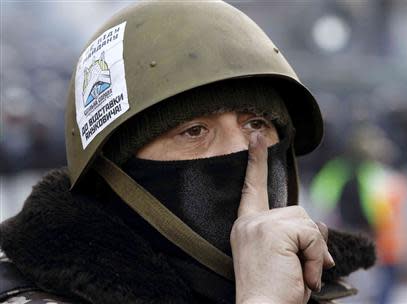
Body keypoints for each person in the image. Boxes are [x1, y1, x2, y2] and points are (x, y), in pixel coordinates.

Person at [0, 1, 375, 303]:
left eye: (256, 124)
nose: (243, 152)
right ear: (116, 174)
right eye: (194, 131)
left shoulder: (310, 286)